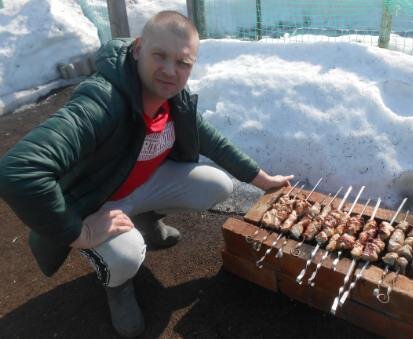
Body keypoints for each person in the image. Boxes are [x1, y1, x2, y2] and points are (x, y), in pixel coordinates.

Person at [0, 11, 293, 338]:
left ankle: (146, 219)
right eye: (160, 56)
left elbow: (212, 140)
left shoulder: (173, 96)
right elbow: (19, 169)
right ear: (138, 49)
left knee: (218, 185)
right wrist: (78, 232)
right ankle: (117, 282)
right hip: (101, 202)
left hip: (141, 185)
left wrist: (263, 180)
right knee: (127, 255)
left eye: (183, 62)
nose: (171, 70)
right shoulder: (101, 101)